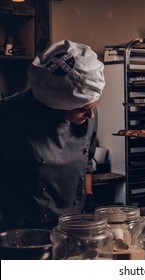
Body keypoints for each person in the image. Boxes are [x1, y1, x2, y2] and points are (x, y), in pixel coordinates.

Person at [0, 40, 105, 230]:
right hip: (24, 233)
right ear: (56, 104)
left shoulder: (89, 115)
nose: (90, 115)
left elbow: (87, 164)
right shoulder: (7, 117)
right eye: (83, 110)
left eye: (93, 106)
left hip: (74, 226)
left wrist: (89, 200)